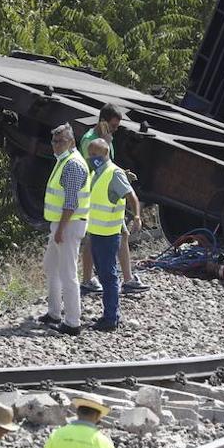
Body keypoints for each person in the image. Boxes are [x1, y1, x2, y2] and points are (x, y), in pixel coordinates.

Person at [79, 104, 149, 295]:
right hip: (97, 199)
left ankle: (126, 279)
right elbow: (94, 169)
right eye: (114, 125)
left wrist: (121, 175)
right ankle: (88, 280)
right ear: (103, 122)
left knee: (121, 235)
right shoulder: (90, 141)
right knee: (93, 237)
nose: (116, 130)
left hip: (109, 200)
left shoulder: (106, 139)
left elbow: (107, 166)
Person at [84, 136, 140, 331]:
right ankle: (108, 315)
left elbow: (131, 195)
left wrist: (137, 217)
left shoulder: (113, 173)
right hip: (97, 233)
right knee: (104, 274)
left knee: (109, 276)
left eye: (95, 154)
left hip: (109, 234)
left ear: (105, 153)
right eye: (90, 154)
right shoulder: (96, 173)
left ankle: (111, 318)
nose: (91, 158)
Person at [38, 124, 89, 335]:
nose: (55, 145)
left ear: (71, 142)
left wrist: (60, 230)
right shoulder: (64, 161)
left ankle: (72, 322)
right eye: (54, 141)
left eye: (59, 141)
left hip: (68, 224)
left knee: (68, 273)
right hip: (61, 224)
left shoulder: (73, 165)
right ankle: (54, 313)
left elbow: (71, 203)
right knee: (51, 266)